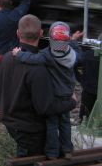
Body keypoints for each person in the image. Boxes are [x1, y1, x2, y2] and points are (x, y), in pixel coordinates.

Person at [0, 15, 77, 166]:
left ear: (17, 34)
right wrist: (71, 103)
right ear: (41, 34)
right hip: (29, 128)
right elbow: (46, 108)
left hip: (9, 120)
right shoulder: (40, 68)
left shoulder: (7, 57)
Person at [12, 22, 81, 158]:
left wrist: (18, 54)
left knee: (52, 124)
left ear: (51, 38)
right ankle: (67, 149)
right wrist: (73, 41)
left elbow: (31, 58)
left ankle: (52, 152)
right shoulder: (73, 55)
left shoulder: (47, 56)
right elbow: (78, 52)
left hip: (54, 95)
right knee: (65, 123)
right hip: (68, 94)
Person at [77, 33, 102, 123]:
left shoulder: (87, 55)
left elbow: (74, 66)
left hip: (88, 89)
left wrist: (81, 80)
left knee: (84, 119)